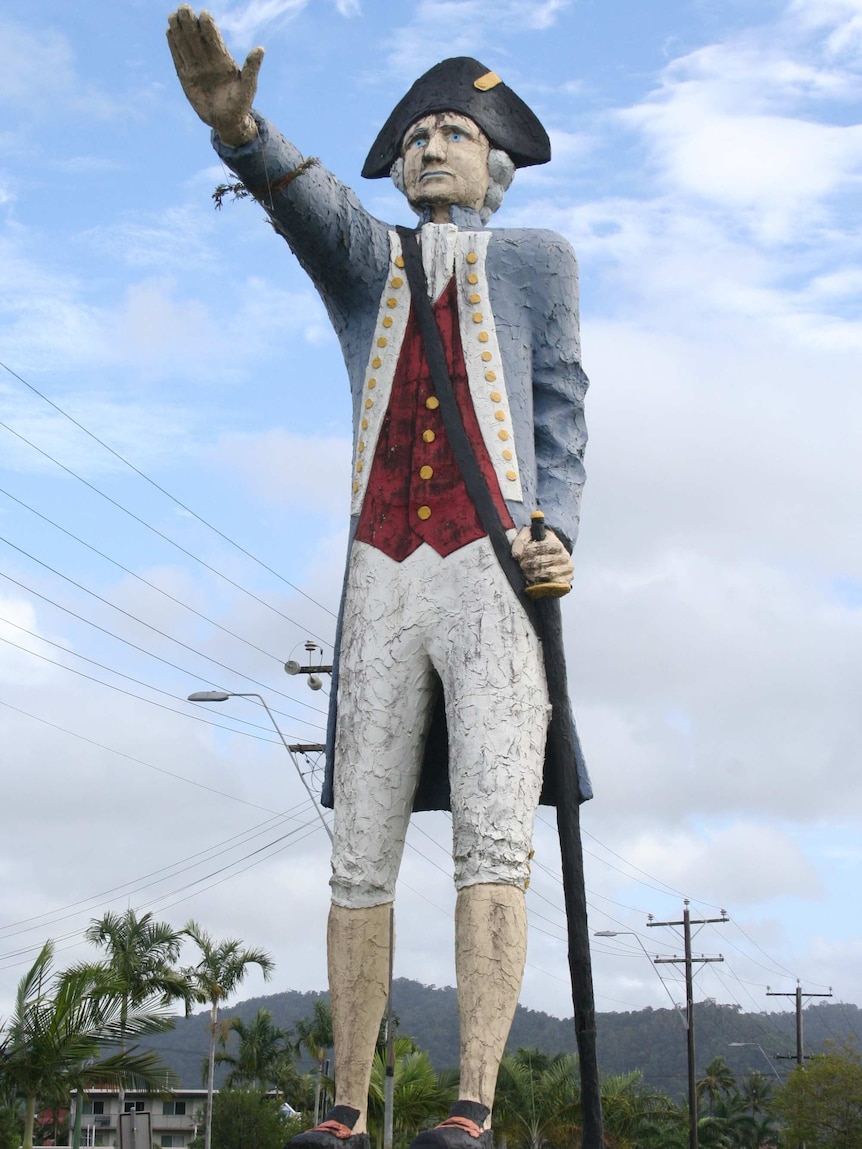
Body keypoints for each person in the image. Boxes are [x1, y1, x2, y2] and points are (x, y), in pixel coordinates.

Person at [166, 11, 590, 1149]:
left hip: (491, 567)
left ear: (495, 168)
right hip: (379, 569)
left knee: (495, 834)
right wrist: (244, 133)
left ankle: (472, 1104)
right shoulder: (372, 266)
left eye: (455, 132)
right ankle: (345, 1104)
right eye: (416, 137)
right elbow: (313, 214)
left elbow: (559, 413)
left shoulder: (538, 262)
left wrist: (558, 533)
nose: (431, 148)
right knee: (359, 840)